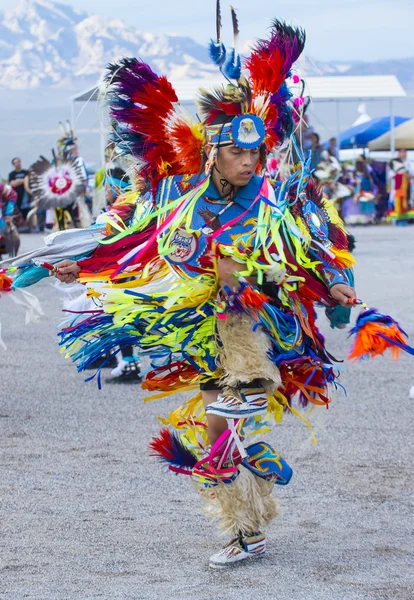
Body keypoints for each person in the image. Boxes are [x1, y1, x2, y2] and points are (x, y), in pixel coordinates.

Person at [2, 9, 412, 570]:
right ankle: (247, 526)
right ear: (212, 153)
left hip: (264, 332)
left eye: (255, 153)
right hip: (202, 332)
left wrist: (337, 284)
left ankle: (251, 464)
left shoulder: (278, 200)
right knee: (214, 434)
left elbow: (324, 237)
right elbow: (129, 236)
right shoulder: (180, 198)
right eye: (237, 153)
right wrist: (80, 266)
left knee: (222, 429)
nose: (248, 161)